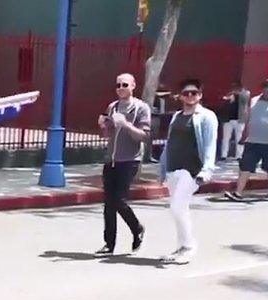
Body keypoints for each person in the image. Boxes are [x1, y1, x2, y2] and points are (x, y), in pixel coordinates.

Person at [157, 78, 218, 265]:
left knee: (177, 207)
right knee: (180, 209)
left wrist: (207, 170)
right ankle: (181, 246)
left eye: (194, 93)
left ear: (200, 95)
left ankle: (189, 246)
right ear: (180, 96)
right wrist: (162, 169)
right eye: (186, 93)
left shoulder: (207, 116)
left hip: (191, 170)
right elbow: (170, 143)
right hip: (173, 169)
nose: (190, 96)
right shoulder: (177, 116)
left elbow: (210, 145)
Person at [94, 73, 150, 256]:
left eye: (124, 84)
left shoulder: (141, 108)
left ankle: (137, 228)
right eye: (118, 85)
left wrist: (125, 124)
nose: (120, 88)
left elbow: (143, 136)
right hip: (111, 159)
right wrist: (104, 125)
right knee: (108, 203)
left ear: (133, 86)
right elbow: (109, 135)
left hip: (129, 160)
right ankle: (109, 244)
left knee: (118, 200)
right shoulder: (113, 107)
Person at [225, 79, 268, 201]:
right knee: (246, 167)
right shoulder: (254, 100)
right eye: (265, 87)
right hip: (252, 141)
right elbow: (249, 118)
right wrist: (244, 136)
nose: (267, 90)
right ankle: (238, 193)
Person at [220, 80, 251, 161]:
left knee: (239, 138)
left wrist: (237, 94)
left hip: (240, 119)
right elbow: (223, 102)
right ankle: (224, 155)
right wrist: (227, 99)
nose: (234, 88)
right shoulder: (230, 94)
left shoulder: (245, 93)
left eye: (236, 86)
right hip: (228, 119)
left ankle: (239, 156)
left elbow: (245, 100)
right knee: (226, 138)